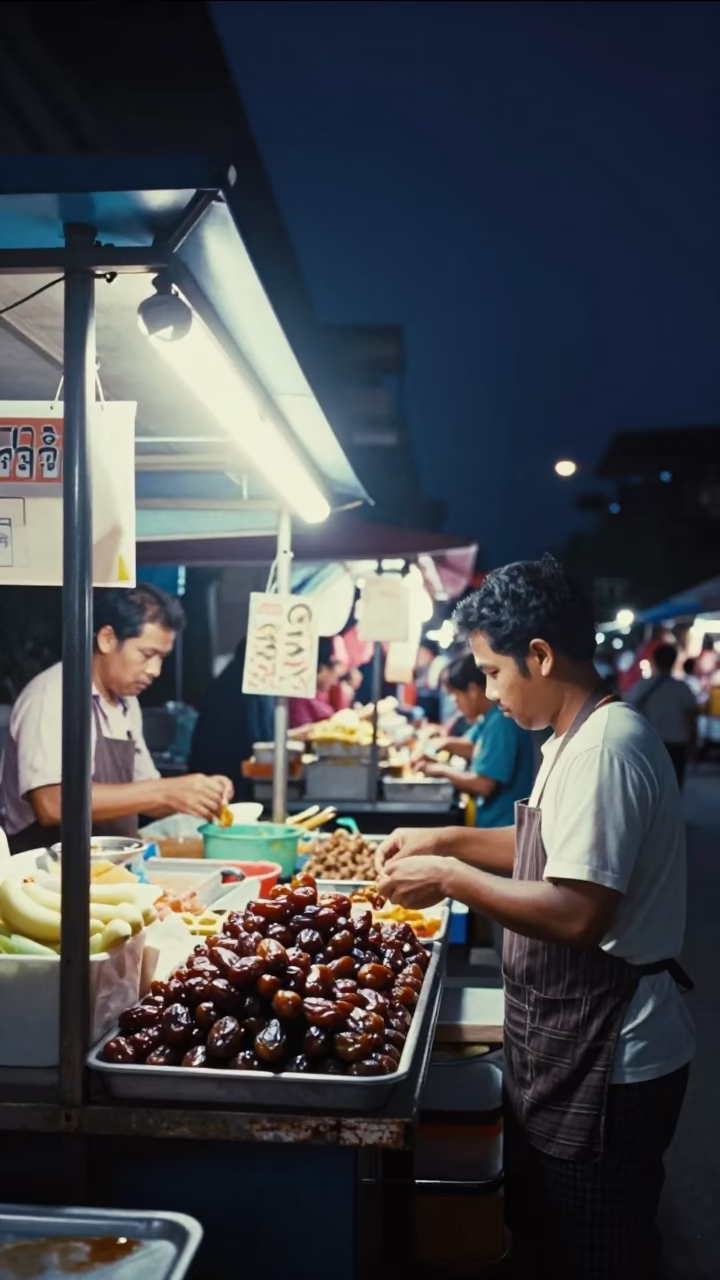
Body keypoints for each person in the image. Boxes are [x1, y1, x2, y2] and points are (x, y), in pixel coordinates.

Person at [375, 554, 694, 1280]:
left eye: (492, 672)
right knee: (547, 1236)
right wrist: (447, 838)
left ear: (541, 655)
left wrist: (453, 876)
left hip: (612, 1056)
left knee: (600, 1251)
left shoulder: (607, 749)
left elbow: (578, 909)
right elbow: (544, 847)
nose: (488, 691)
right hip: (567, 1038)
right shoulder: (570, 739)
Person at [0, 585, 233, 853]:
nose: (155, 670)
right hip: (47, 877)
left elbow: (147, 792)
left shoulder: (126, 702)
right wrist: (165, 791)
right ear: (107, 639)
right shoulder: (55, 694)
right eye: (146, 655)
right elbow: (51, 804)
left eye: (162, 658)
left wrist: (199, 794)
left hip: (110, 868)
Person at [418, 653, 535, 828]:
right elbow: (472, 746)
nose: (454, 702)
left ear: (473, 690)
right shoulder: (489, 717)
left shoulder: (501, 722)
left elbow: (483, 784)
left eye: (455, 695)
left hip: (504, 826)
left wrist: (438, 770)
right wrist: (440, 745)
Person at [188, 640, 274, 801]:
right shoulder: (243, 686)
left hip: (223, 778)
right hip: (224, 781)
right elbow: (259, 741)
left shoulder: (234, 678)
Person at [625, 642, 697, 787]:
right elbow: (691, 720)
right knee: (673, 788)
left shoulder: (641, 687)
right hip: (676, 747)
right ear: (674, 661)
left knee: (649, 789)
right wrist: (693, 746)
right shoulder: (682, 689)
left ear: (654, 660)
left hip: (648, 744)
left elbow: (629, 715)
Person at [288, 640, 341, 733]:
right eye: (334, 675)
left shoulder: (313, 692)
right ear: (324, 669)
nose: (334, 683)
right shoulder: (299, 695)